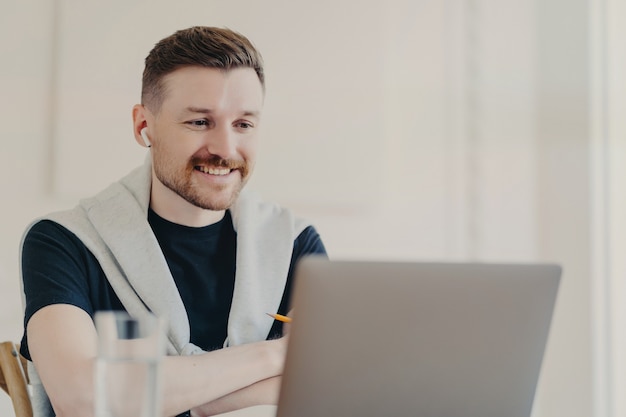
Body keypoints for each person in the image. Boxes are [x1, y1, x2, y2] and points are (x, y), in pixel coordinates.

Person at [19, 26, 326, 417]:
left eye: (243, 124)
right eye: (199, 122)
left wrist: (151, 397)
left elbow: (327, 388)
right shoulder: (63, 242)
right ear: (143, 126)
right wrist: (276, 355)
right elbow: (81, 399)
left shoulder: (295, 243)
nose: (225, 149)